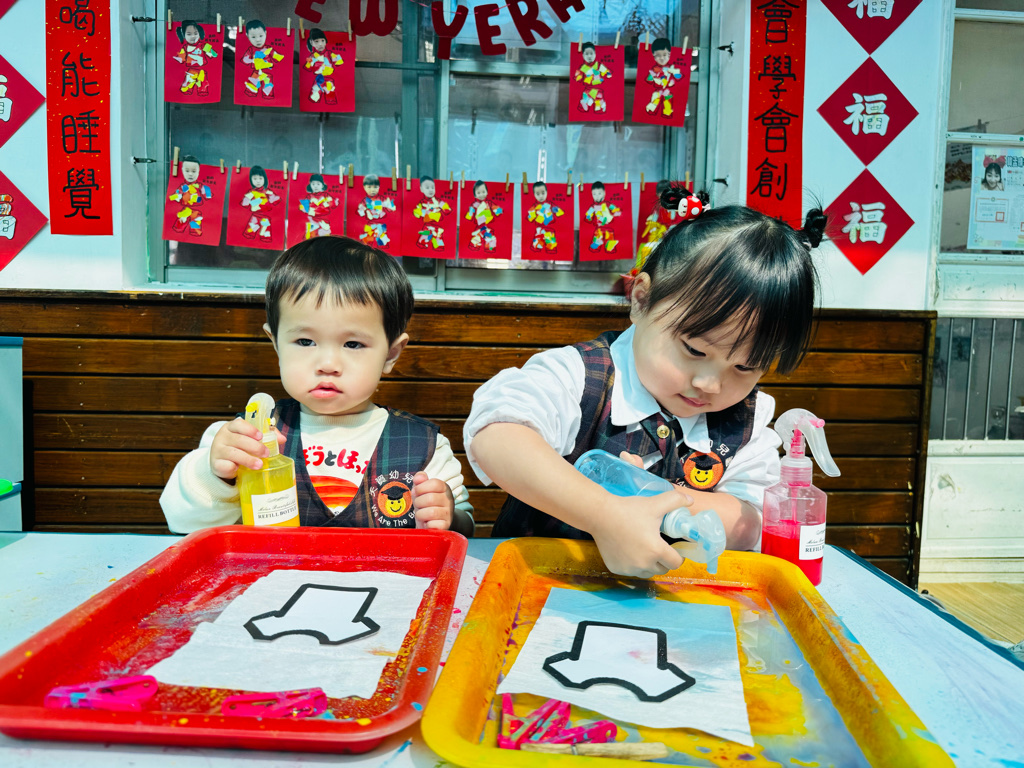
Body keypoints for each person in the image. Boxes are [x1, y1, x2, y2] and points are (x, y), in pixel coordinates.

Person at [465, 187, 825, 577]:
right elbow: (497, 435)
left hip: (669, 600)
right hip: (539, 585)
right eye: (694, 349)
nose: (710, 384)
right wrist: (604, 512)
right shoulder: (581, 377)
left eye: (744, 367)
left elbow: (748, 518)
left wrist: (652, 495)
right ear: (640, 300)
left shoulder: (745, 420)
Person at [161, 236, 475, 536]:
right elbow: (183, 522)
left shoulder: (423, 447)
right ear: (276, 343)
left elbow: (464, 527)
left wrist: (448, 516)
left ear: (390, 354)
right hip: (276, 574)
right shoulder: (246, 438)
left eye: (353, 344)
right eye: (305, 341)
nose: (327, 363)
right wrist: (218, 476)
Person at [167, 155, 213, 237]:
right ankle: (177, 233)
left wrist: (208, 194)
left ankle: (195, 233)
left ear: (198, 171)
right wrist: (175, 196)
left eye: (194, 171)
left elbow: (208, 195)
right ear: (182, 171)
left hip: (197, 209)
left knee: (196, 223)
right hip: (185, 208)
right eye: (187, 171)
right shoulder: (182, 187)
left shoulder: (199, 186)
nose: (190, 174)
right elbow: (176, 194)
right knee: (180, 223)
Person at [173, 20, 218, 98]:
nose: (193, 36)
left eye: (195, 33)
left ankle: (202, 92)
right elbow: (180, 59)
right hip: (191, 71)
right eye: (189, 34)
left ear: (199, 34)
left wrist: (210, 50)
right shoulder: (185, 48)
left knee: (203, 86)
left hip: (202, 70)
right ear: (183, 35)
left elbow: (214, 55)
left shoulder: (203, 45)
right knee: (186, 87)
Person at [241, 19, 284, 99]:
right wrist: (252, 60)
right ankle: (250, 96)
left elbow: (278, 57)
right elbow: (244, 59)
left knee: (267, 89)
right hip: (256, 72)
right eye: (253, 37)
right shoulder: (251, 50)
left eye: (261, 36)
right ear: (247, 36)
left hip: (267, 73)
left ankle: (268, 97)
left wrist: (276, 56)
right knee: (251, 89)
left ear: (265, 33)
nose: (258, 40)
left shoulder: (268, 49)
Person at [240, 165, 280, 243]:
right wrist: (252, 202)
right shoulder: (251, 192)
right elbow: (244, 203)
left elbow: (276, 201)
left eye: (260, 178)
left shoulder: (268, 192)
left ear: (265, 179)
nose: (258, 181)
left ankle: (265, 239)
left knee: (265, 232)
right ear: (251, 180)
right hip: (255, 215)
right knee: (250, 231)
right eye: (255, 179)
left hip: (265, 216)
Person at [304, 28, 343, 105]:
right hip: (318, 79)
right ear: (311, 43)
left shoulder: (329, 54)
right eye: (316, 41)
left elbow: (339, 61)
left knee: (330, 98)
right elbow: (307, 68)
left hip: (329, 79)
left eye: (322, 41)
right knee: (314, 99)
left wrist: (337, 58)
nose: (320, 44)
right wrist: (311, 63)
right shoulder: (312, 56)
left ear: (326, 42)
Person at [645, 38, 682, 118]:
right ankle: (651, 110)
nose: (662, 58)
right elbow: (649, 80)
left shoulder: (671, 68)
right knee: (655, 100)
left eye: (664, 55)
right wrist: (652, 76)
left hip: (668, 90)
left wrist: (675, 75)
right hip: (657, 90)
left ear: (669, 54)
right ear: (654, 56)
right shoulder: (654, 69)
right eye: (658, 55)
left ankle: (667, 112)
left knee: (667, 101)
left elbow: (678, 77)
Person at [465, 180, 503, 252]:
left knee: (490, 237)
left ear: (487, 192)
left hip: (488, 225)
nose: (481, 194)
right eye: (478, 193)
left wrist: (498, 210)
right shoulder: (474, 204)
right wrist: (470, 214)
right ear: (475, 195)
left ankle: (490, 249)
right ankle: (473, 248)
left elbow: (495, 208)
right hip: (479, 226)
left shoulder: (489, 203)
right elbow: (470, 214)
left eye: (483, 192)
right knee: (477, 238)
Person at [574, 42, 611, 113]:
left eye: (591, 53)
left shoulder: (598, 65)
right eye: (587, 54)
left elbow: (606, 71)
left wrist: (608, 73)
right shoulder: (582, 67)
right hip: (587, 89)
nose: (589, 56)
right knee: (583, 107)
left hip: (598, 89)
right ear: (583, 55)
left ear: (595, 54)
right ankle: (584, 104)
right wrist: (579, 77)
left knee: (599, 106)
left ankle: (599, 108)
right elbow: (577, 77)